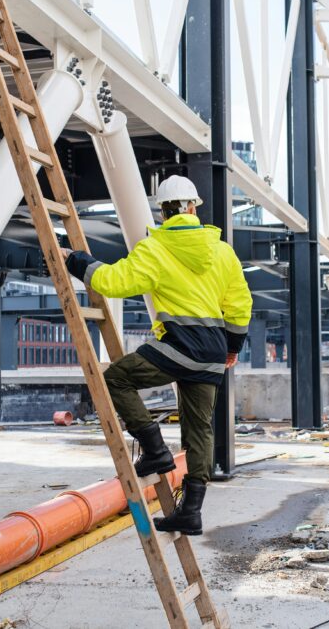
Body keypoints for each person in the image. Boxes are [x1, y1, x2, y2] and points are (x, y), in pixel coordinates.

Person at [62, 175, 252, 535]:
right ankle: (191, 511)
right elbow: (240, 304)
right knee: (200, 431)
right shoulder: (223, 252)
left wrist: (76, 261)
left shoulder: (156, 249)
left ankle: (154, 449)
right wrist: (232, 347)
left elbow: (113, 282)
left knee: (116, 378)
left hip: (179, 346)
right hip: (212, 353)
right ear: (194, 208)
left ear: (163, 212)